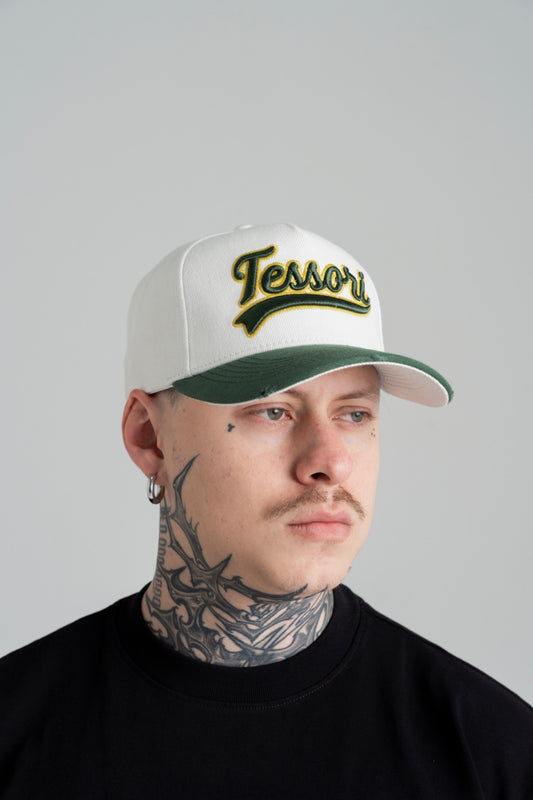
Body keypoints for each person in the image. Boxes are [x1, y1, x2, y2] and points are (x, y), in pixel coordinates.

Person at [1, 223, 532, 798]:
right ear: (149, 437)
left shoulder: (491, 751)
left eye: (354, 414)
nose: (331, 462)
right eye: (273, 411)